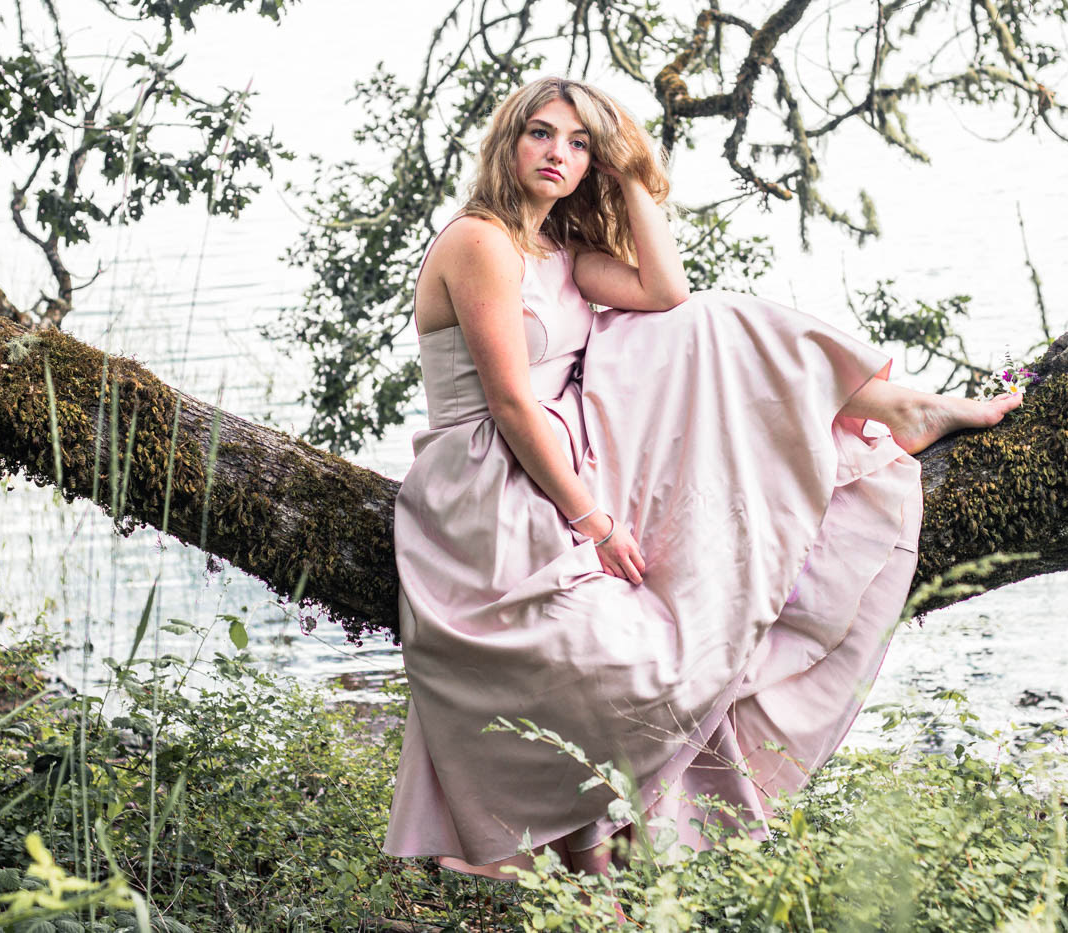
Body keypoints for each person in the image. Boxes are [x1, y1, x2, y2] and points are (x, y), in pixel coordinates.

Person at [382, 76, 1021, 880]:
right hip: (488, 477)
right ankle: (590, 865)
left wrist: (631, 171)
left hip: (560, 455)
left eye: (579, 144)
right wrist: (593, 519)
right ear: (508, 141)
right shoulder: (479, 241)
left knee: (706, 321)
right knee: (619, 652)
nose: (557, 154)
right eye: (541, 133)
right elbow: (510, 402)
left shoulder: (562, 255)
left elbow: (666, 291)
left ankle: (894, 404)